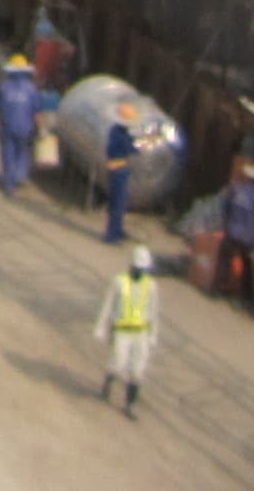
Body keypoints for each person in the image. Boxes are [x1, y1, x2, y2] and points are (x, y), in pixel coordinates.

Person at [95, 247, 162, 415]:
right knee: (118, 363)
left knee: (138, 370)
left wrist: (153, 335)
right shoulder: (119, 282)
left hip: (141, 333)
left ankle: (130, 404)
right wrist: (100, 327)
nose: (141, 272)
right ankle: (109, 380)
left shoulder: (151, 286)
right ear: (132, 266)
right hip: (122, 331)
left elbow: (153, 312)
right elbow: (108, 305)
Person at [220, 161, 254, 301]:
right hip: (249, 240)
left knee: (225, 257)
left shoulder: (237, 189)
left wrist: (227, 225)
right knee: (249, 265)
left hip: (231, 233)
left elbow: (225, 206)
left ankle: (222, 284)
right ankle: (244, 295)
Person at [0, 55, 44, 197]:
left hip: (7, 126)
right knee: (22, 152)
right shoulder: (32, 89)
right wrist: (42, 130)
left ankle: (9, 185)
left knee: (8, 154)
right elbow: (37, 114)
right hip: (25, 128)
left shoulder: (4, 87)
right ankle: (19, 176)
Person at [101, 110, 140, 243]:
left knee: (117, 202)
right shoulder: (121, 135)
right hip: (119, 169)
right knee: (118, 202)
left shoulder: (115, 130)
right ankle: (113, 234)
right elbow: (132, 149)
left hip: (115, 167)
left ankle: (117, 229)